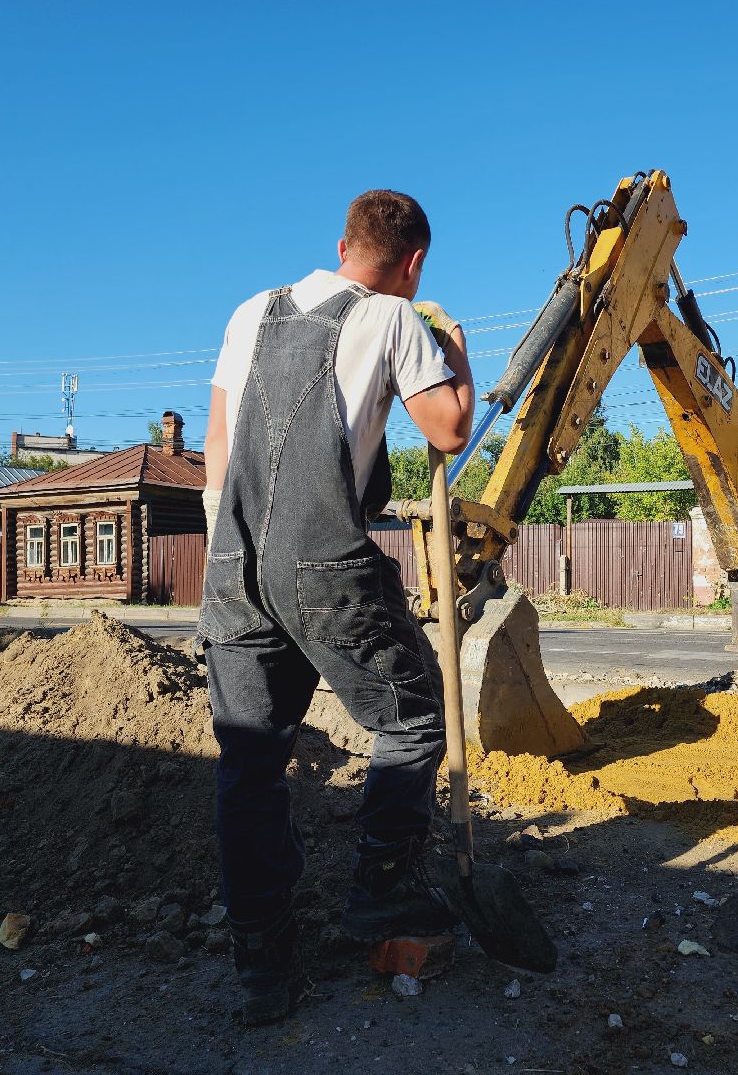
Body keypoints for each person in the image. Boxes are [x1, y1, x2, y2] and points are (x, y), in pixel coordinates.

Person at [199, 189, 474, 1026]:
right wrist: (453, 350)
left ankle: (263, 972)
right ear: (413, 261)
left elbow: (217, 442)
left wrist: (234, 556)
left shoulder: (251, 311)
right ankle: (381, 891)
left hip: (229, 562)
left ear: (343, 242)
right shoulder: (394, 319)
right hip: (322, 564)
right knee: (415, 720)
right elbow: (451, 428)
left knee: (250, 767)